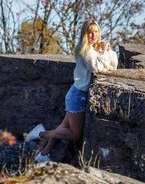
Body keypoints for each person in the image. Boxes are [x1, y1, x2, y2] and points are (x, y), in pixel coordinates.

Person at [25, 18, 118, 162]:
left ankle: (43, 155)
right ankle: (39, 134)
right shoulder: (85, 50)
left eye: (96, 32)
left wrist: (107, 52)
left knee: (62, 128)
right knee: (75, 134)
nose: (93, 35)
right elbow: (97, 68)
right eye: (90, 33)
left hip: (75, 93)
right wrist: (105, 51)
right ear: (84, 34)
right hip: (78, 96)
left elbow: (114, 64)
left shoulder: (94, 49)